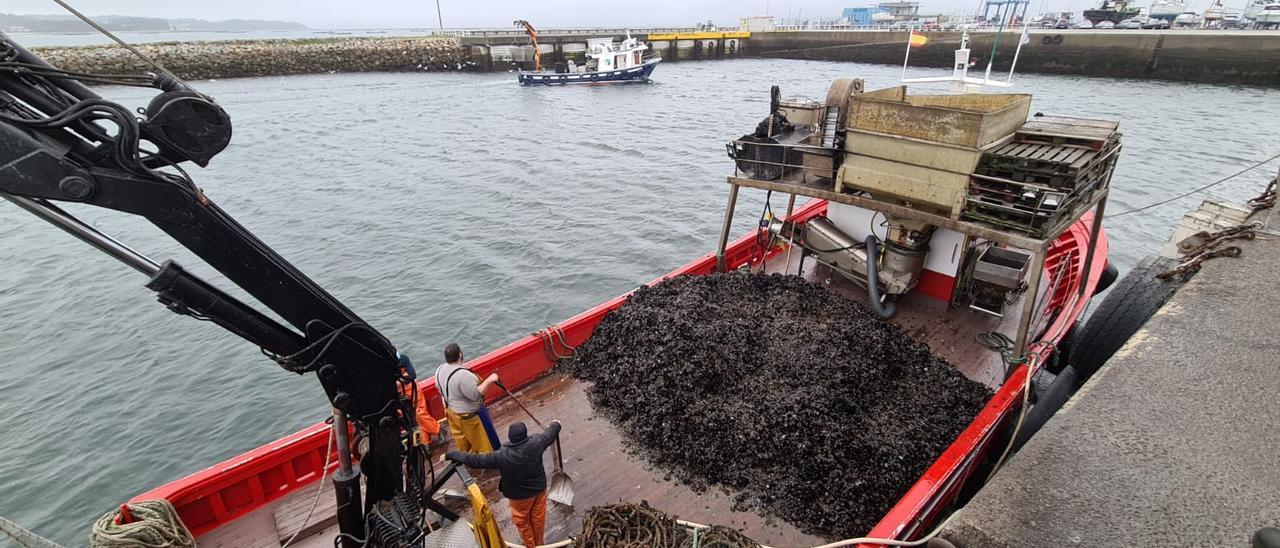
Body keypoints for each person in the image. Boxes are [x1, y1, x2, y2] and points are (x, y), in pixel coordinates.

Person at [447, 420, 562, 548]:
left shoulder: (501, 455)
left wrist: (452, 454)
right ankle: (539, 543)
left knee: (523, 522)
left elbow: (476, 460)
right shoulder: (537, 443)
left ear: (510, 438)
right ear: (525, 434)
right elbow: (549, 434)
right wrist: (556, 424)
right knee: (538, 518)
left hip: (519, 498)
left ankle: (530, 545)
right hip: (539, 492)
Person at [435, 343, 502, 453]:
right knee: (483, 443)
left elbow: (438, 387)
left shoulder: (439, 370)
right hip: (467, 416)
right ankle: (488, 461)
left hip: (450, 412)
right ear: (460, 355)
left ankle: (468, 457)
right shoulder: (463, 375)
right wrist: (490, 379)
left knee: (462, 440)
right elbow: (475, 395)